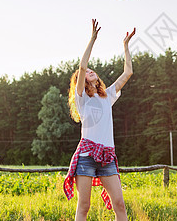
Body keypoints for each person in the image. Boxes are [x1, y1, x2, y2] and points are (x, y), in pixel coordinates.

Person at [64, 19, 135, 221]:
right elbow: (82, 64)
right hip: (86, 155)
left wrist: (125, 46)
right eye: (85, 73)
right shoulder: (82, 99)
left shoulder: (107, 96)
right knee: (84, 206)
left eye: (90, 70)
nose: (89, 71)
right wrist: (92, 39)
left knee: (119, 204)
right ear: (82, 80)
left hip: (107, 157)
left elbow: (128, 72)